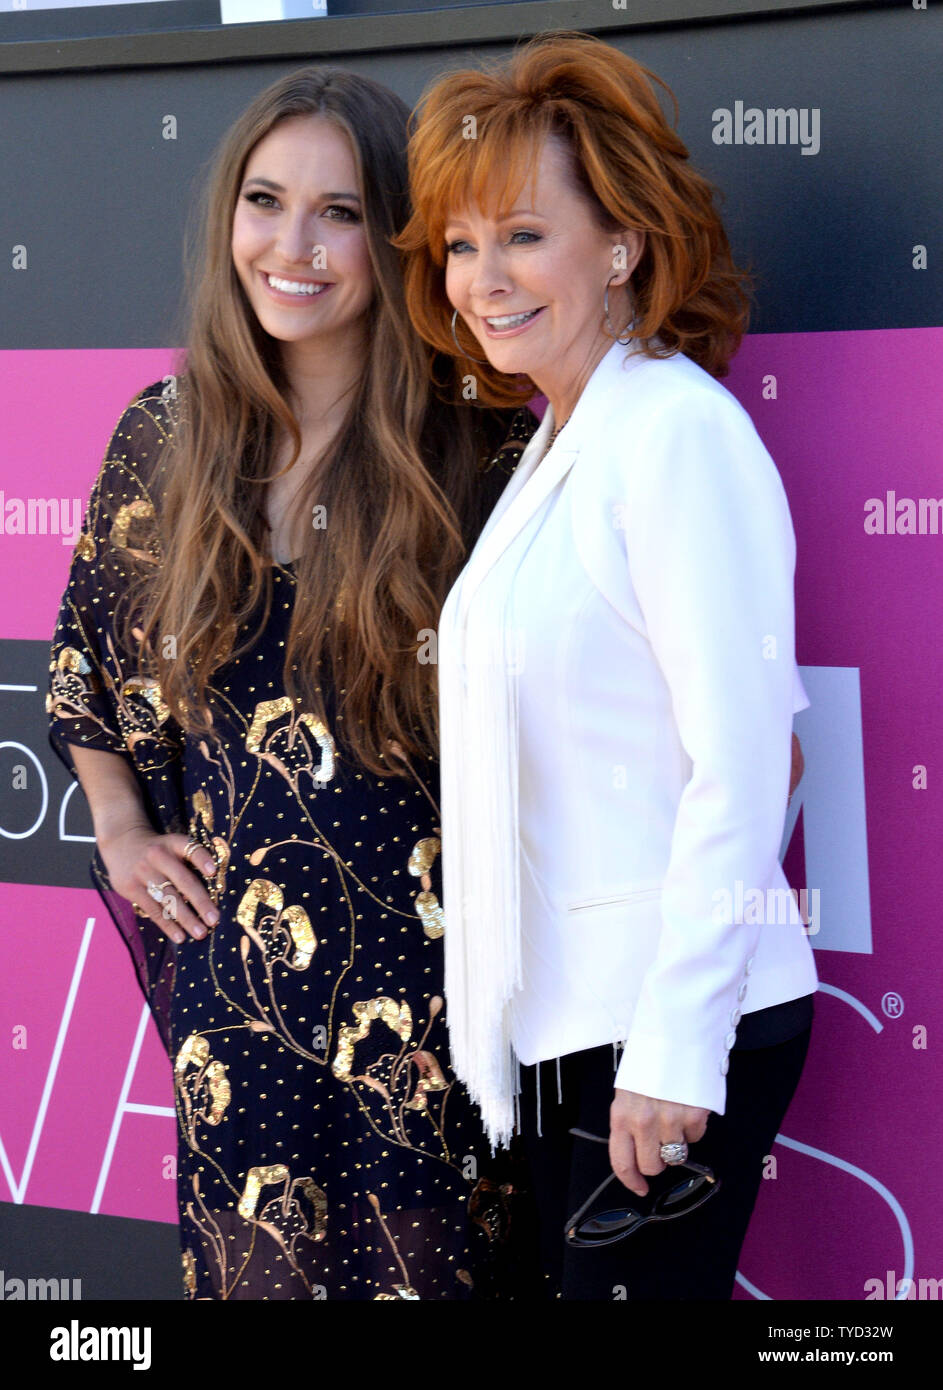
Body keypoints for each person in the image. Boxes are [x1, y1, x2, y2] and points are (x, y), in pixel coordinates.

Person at [46, 65, 537, 1300]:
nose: (294, 246)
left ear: (393, 237)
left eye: (340, 212)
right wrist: (120, 830)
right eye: (266, 202)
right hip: (238, 1001)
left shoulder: (486, 444)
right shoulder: (162, 436)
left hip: (434, 1003)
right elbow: (87, 666)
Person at [394, 30, 817, 1299]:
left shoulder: (677, 434)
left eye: (522, 235)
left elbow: (748, 764)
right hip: (567, 1035)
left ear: (622, 244)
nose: (482, 278)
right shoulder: (556, 443)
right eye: (461, 245)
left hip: (667, 1028)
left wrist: (673, 1050)